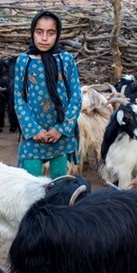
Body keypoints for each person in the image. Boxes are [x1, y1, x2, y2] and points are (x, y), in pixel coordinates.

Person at [13, 10, 83, 178]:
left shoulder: (66, 61)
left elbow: (76, 97)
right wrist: (33, 129)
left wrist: (61, 128)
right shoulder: (24, 61)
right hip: (33, 135)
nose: (44, 38)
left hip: (59, 135)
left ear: (57, 34)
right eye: (39, 32)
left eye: (50, 33)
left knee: (58, 181)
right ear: (32, 33)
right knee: (31, 180)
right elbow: (18, 99)